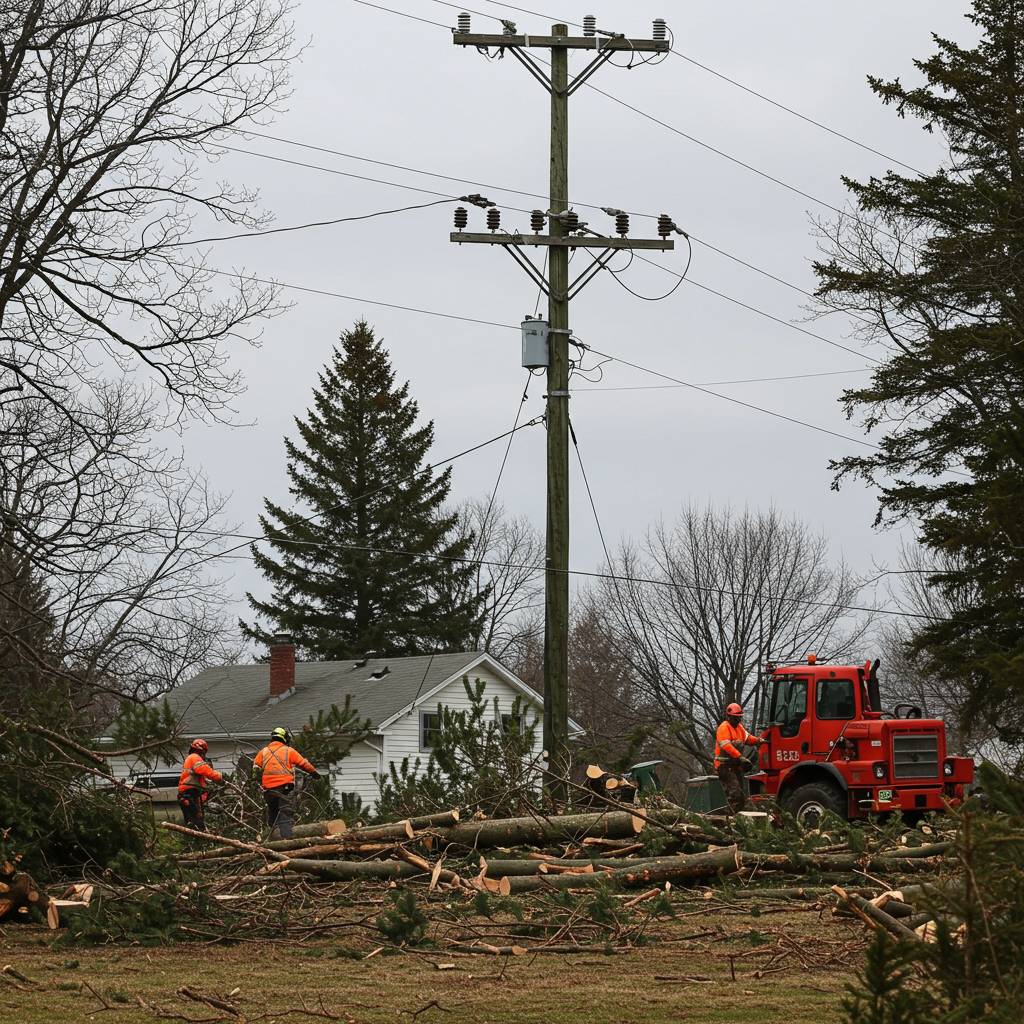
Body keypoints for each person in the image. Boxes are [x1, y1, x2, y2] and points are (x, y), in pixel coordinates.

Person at [252, 727, 320, 839]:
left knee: (272, 812)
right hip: (285, 788)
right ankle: (287, 840)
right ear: (284, 738)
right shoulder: (289, 751)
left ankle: (272, 838)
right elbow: (303, 763)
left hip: (268, 790)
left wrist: (257, 780)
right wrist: (314, 773)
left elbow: (255, 769)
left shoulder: (263, 752)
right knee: (285, 813)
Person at [714, 703, 765, 814]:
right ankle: (728, 819)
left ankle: (735, 818)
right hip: (724, 766)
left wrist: (758, 740)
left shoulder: (739, 728)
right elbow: (726, 746)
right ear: (729, 717)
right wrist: (740, 757)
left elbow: (748, 738)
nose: (738, 720)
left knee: (741, 796)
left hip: (734, 765)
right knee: (735, 794)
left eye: (739, 717)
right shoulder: (723, 728)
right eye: (736, 718)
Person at [177, 738, 222, 831]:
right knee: (196, 822)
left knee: (194, 821)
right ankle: (196, 842)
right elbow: (204, 769)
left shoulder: (191, 759)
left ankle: (194, 841)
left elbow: (201, 783)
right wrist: (218, 776)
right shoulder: (195, 757)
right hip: (189, 794)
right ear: (203, 751)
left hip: (190, 794)